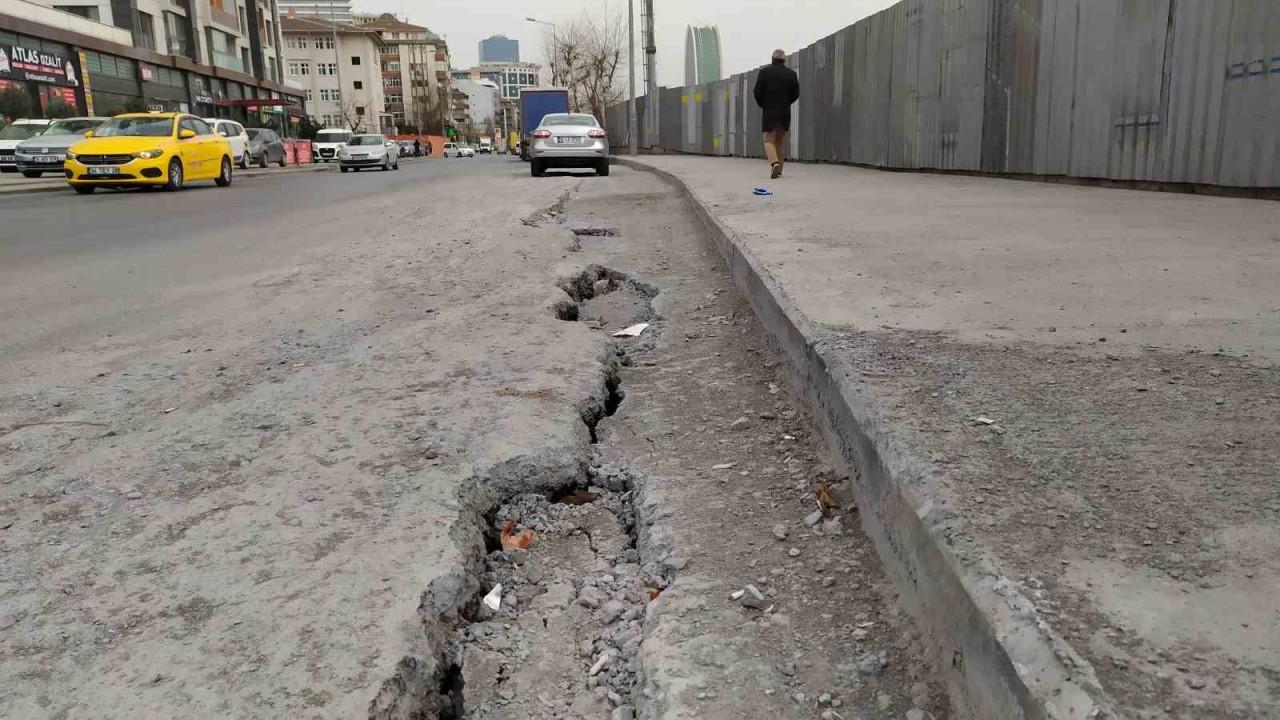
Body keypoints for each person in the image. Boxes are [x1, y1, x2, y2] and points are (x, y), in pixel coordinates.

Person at [753, 49, 800, 179]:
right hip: (785, 112)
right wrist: (786, 102)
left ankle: (774, 164)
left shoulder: (764, 73)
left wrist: (764, 104)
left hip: (769, 112)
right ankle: (779, 170)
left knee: (768, 141)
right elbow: (796, 94)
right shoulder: (791, 74)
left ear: (772, 59)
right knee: (779, 142)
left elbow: (757, 92)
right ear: (784, 60)